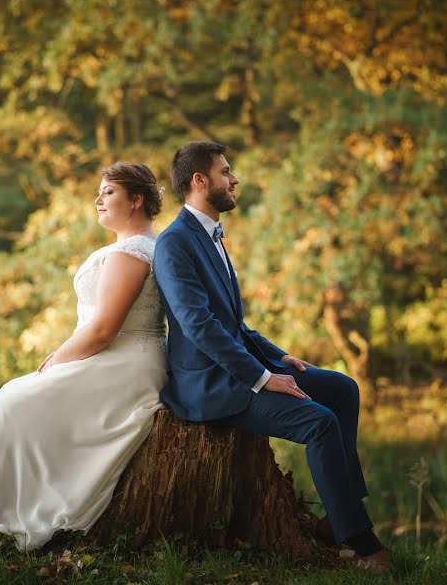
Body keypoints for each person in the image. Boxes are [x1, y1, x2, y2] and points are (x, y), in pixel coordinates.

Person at [152, 141, 391, 574]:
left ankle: (339, 514)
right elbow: (200, 326)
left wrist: (281, 357)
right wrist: (264, 377)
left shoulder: (212, 236)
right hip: (211, 384)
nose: (234, 178)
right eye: (226, 171)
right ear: (199, 181)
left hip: (241, 366)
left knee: (342, 389)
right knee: (319, 421)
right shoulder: (174, 244)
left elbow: (235, 325)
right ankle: (359, 541)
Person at [0, 162, 167, 552]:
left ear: (136, 199)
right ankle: (1, 516)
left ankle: (0, 521)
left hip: (124, 361)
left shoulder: (133, 252)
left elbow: (103, 330)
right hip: (119, 356)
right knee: (12, 400)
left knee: (12, 402)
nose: (98, 199)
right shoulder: (141, 247)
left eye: (108, 191)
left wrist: (54, 362)